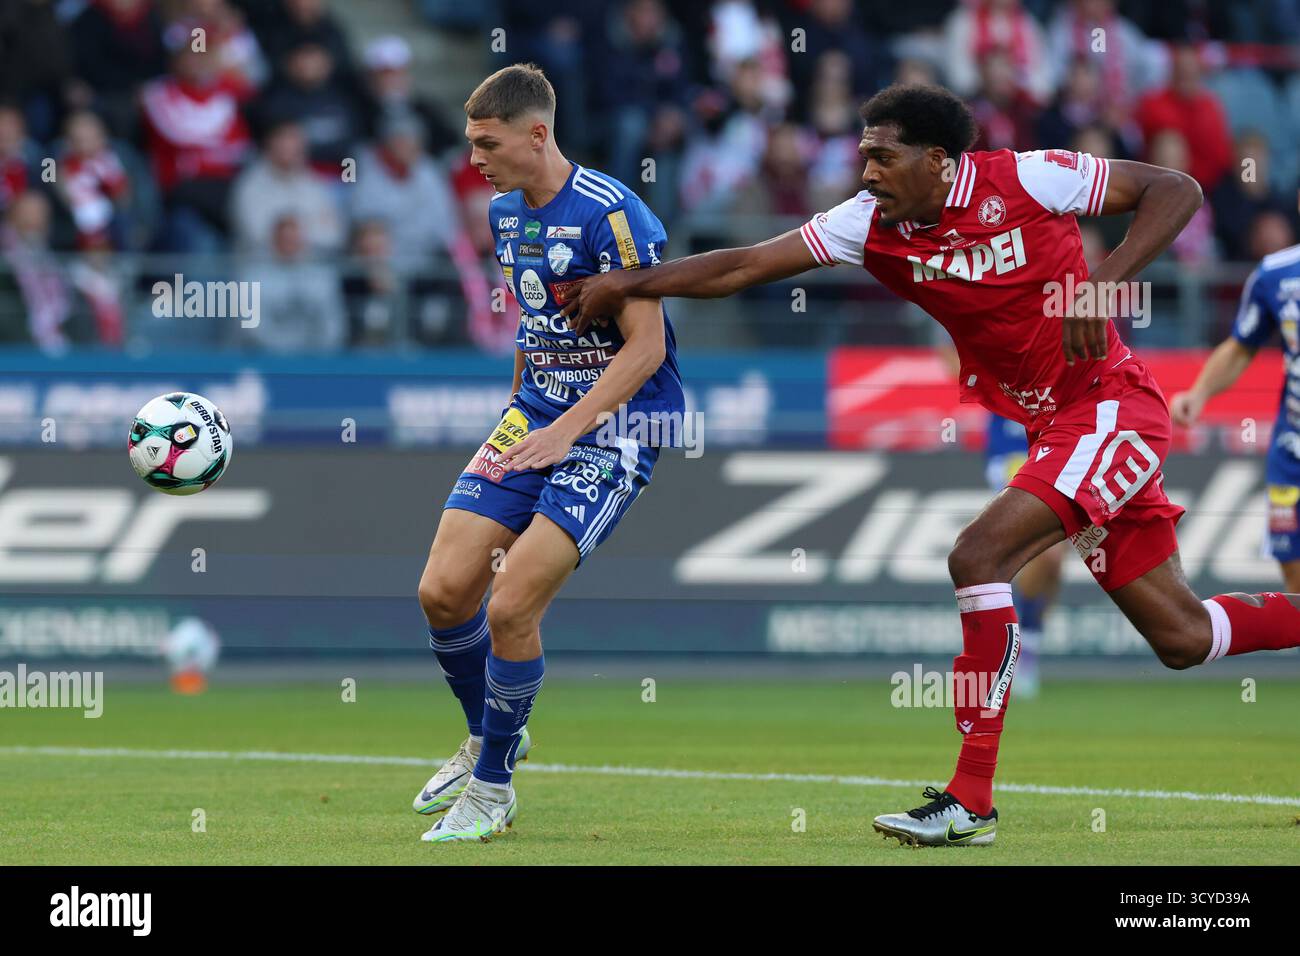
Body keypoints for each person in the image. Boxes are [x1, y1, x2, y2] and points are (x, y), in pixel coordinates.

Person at [563, 83, 1300, 846]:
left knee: (978, 555)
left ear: (939, 161)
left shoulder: (1029, 176)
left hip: (1113, 408)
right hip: (1054, 427)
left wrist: (1102, 282)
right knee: (1181, 636)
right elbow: (744, 264)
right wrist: (628, 282)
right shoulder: (865, 224)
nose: (868, 172)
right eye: (864, 157)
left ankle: (969, 801)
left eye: (883, 157)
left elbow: (1173, 188)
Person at [413, 63, 684, 843]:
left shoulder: (614, 214)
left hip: (620, 426)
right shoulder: (503, 213)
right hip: (533, 413)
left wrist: (569, 430)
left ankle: (493, 790)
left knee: (510, 603)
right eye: (471, 144)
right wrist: (519, 412)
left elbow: (646, 347)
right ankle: (490, 734)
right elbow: (534, 328)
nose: (475, 158)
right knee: (442, 590)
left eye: (486, 142)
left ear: (537, 134)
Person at [1171, 188, 1300, 591]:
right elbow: (1242, 345)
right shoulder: (1276, 275)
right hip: (1291, 449)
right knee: (1292, 567)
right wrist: (1199, 393)